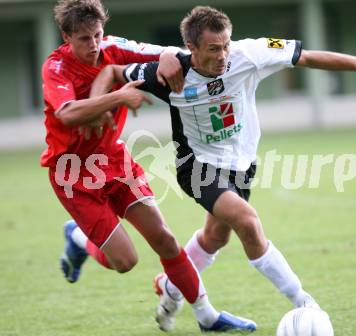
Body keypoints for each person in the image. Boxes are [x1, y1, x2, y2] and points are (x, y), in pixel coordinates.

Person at [90, 5, 356, 331]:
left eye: (226, 45)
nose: (223, 55)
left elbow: (306, 57)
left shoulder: (250, 55)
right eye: (214, 49)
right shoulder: (169, 75)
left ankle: (171, 285)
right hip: (197, 167)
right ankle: (304, 301)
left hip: (241, 166)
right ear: (192, 48)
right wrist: (101, 106)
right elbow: (114, 71)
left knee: (215, 237)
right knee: (247, 221)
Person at [41, 0, 257, 333]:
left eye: (98, 35)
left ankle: (207, 316)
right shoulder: (56, 67)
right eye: (84, 39)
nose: (95, 45)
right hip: (73, 172)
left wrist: (169, 57)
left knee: (166, 240)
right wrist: (117, 97)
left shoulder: (114, 48)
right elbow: (67, 113)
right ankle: (79, 238)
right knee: (125, 262)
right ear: (66, 36)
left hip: (114, 161)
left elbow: (172, 53)